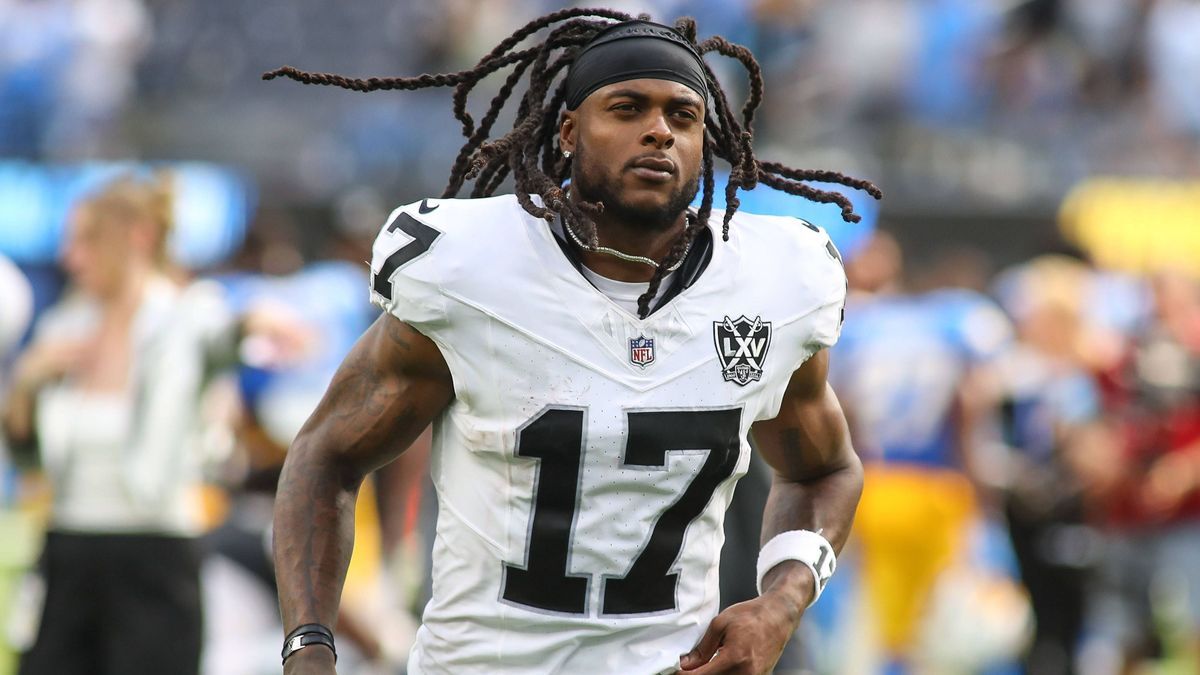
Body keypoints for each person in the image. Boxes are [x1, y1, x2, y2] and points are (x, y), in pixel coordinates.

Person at [265, 9, 880, 674]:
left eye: (683, 116)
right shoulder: (471, 273)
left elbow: (825, 469)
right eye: (627, 107)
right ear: (567, 130)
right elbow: (324, 457)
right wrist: (309, 647)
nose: (658, 131)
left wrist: (781, 602)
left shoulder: (773, 282)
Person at [1, 175, 231, 675]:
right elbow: (28, 460)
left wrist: (261, 322)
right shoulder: (61, 328)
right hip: (66, 548)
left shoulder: (187, 319)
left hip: (157, 553)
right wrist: (25, 383)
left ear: (138, 236)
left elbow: (228, 338)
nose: (71, 258)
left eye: (87, 240)